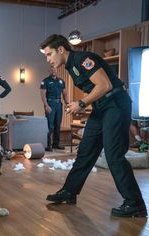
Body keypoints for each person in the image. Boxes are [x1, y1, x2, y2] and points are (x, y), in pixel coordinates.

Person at [40, 34, 147, 217]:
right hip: (101, 107)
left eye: (49, 54)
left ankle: (135, 203)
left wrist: (81, 103)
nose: (48, 59)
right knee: (86, 151)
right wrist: (85, 104)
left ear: (60, 49)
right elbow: (96, 90)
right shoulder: (71, 66)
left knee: (114, 155)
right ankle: (69, 191)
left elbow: (104, 85)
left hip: (116, 105)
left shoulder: (82, 59)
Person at [40, 66, 69, 151]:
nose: (53, 71)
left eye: (55, 69)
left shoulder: (61, 81)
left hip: (59, 104)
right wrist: (46, 105)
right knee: (50, 125)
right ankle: (48, 145)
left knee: (57, 124)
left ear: (57, 71)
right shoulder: (45, 81)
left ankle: (56, 144)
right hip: (50, 103)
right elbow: (43, 95)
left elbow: (65, 94)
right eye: (52, 69)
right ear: (49, 71)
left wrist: (67, 104)